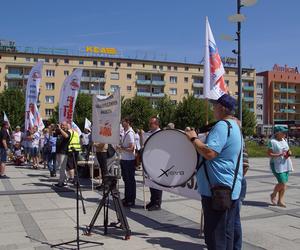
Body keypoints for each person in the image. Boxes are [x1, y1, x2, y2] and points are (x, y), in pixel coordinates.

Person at [186, 94, 243, 250]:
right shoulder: (234, 126)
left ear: (222, 108)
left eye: (214, 106)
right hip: (228, 189)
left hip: (217, 191)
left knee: (216, 236)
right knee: (226, 233)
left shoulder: (222, 126)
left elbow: (210, 153)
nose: (213, 109)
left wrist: (193, 138)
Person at [140, 117, 163, 211]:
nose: (149, 125)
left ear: (156, 124)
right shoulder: (149, 133)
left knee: (157, 182)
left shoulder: (160, 134)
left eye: (151, 123)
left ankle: (157, 203)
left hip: (158, 160)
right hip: (150, 160)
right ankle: (152, 200)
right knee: (151, 181)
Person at [268, 126, 292, 208]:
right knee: (282, 182)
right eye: (283, 132)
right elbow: (269, 154)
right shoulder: (272, 142)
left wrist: (289, 153)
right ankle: (273, 194)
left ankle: (280, 201)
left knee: (284, 184)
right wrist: (279, 155)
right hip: (276, 164)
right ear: (278, 133)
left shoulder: (284, 140)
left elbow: (288, 150)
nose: (285, 134)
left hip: (286, 163)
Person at [118, 117, 136, 207]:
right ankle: (127, 197)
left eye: (123, 122)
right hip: (124, 159)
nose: (122, 123)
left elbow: (132, 148)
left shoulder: (130, 133)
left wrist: (122, 148)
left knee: (129, 180)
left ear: (128, 122)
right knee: (126, 180)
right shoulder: (125, 132)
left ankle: (130, 199)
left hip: (129, 160)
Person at [55, 122, 71, 187]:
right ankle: (63, 181)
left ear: (67, 126)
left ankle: (62, 182)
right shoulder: (59, 132)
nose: (62, 126)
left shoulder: (68, 132)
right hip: (58, 152)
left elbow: (66, 136)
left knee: (62, 168)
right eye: (61, 125)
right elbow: (52, 134)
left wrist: (60, 129)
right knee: (60, 167)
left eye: (63, 125)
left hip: (63, 152)